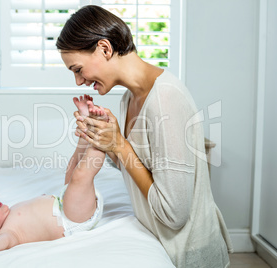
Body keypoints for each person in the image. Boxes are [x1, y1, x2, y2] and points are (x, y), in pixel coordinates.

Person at [56, 5, 233, 268]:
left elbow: (174, 215)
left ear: (105, 48)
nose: (79, 82)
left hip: (187, 254)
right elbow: (138, 167)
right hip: (159, 241)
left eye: (78, 69)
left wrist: (120, 144)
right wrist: (102, 140)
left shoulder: (164, 98)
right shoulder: (129, 98)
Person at [0, 95, 107, 259]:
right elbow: (3, 243)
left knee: (72, 169)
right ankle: (103, 136)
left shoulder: (11, 213)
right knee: (81, 175)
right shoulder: (9, 233)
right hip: (72, 220)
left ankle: (86, 130)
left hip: (66, 204)